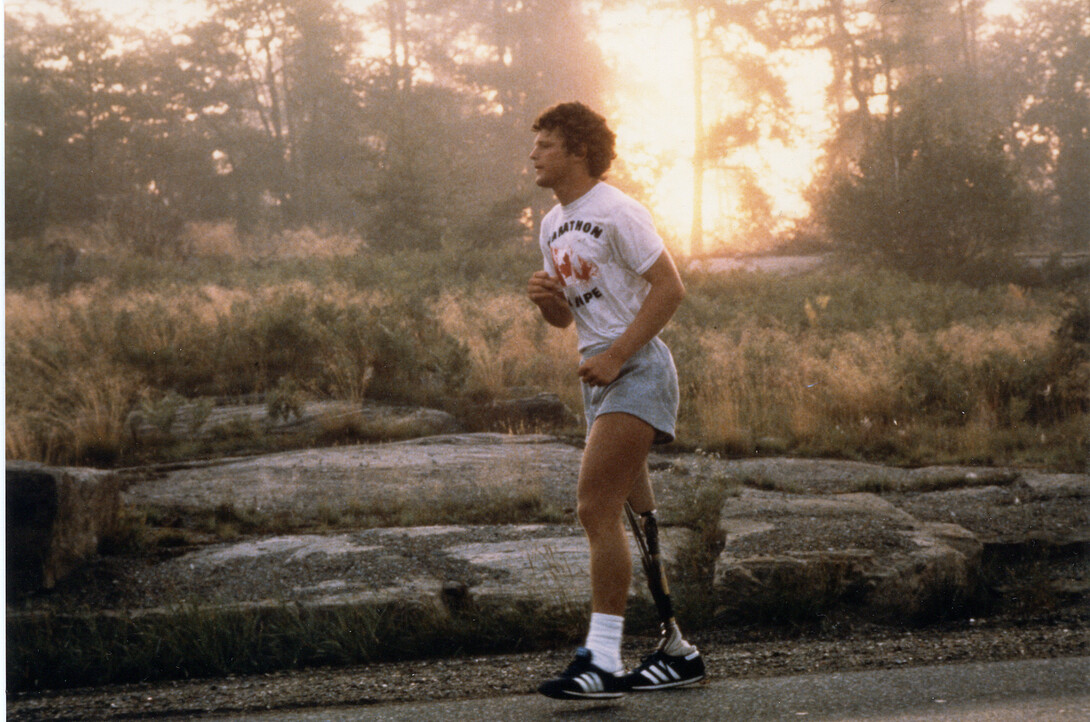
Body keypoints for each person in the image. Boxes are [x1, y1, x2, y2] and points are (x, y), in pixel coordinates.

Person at [526, 101, 705, 700]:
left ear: (579, 150)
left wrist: (616, 355)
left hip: (637, 370)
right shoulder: (552, 223)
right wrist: (547, 301)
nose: (534, 153)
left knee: (593, 508)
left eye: (547, 144)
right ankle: (677, 648)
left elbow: (670, 288)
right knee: (637, 518)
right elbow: (566, 318)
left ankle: (600, 659)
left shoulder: (618, 210)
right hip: (598, 376)